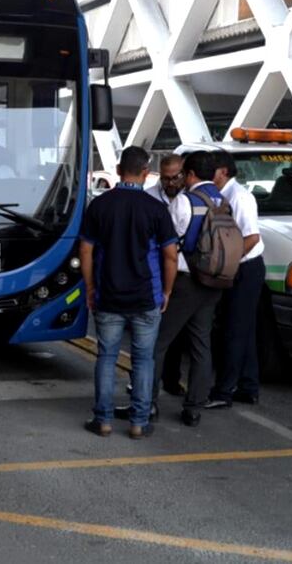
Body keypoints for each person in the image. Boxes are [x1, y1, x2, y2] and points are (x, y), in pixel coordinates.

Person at [79, 146, 177, 439]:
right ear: (146, 173)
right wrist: (168, 292)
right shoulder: (156, 209)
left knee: (107, 357)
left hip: (108, 295)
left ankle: (103, 420)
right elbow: (170, 256)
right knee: (144, 359)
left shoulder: (100, 205)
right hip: (146, 296)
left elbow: (86, 249)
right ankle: (138, 422)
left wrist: (90, 287)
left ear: (120, 170)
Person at [149, 151, 228, 427]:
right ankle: (194, 407)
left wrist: (165, 288)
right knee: (200, 344)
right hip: (213, 280)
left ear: (190, 174)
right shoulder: (222, 200)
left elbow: (167, 245)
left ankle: (148, 403)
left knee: (158, 342)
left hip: (184, 279)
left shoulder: (185, 200)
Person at [207, 151, 266, 408]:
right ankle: (248, 385)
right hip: (237, 267)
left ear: (223, 171)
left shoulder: (239, 197)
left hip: (244, 269)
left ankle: (223, 391)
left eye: (211, 169)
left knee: (233, 330)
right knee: (245, 329)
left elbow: (251, 237)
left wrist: (226, 264)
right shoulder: (221, 195)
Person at [144, 154, 188, 397]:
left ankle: (171, 378)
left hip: (179, 271)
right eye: (166, 178)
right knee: (152, 331)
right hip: (155, 269)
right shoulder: (150, 196)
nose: (170, 183)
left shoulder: (189, 198)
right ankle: (146, 384)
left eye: (175, 178)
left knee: (175, 332)